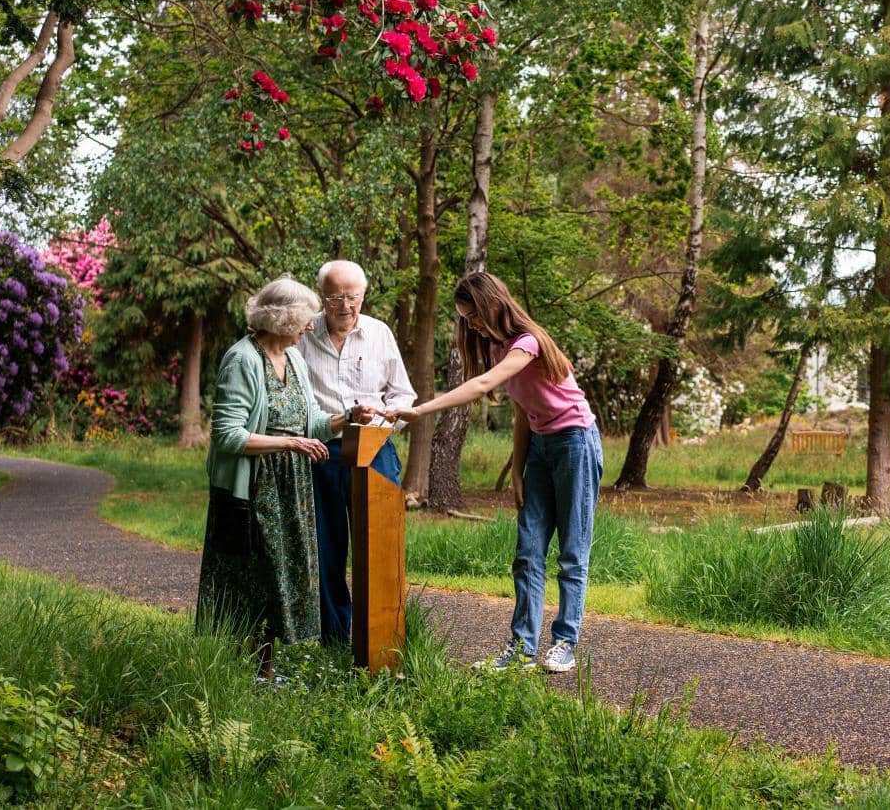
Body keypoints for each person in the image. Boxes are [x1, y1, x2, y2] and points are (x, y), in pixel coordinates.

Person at [379, 271, 601, 673]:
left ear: (494, 303)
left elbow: (482, 386)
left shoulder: (527, 343)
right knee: (528, 552)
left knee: (572, 550)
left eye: (474, 315)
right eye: (465, 319)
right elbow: (522, 413)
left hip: (575, 442)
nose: (472, 325)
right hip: (540, 448)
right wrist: (517, 470)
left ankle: (565, 642)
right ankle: (521, 649)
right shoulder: (501, 350)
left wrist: (419, 410)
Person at [200, 276, 357, 683]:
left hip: (291, 488)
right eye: (305, 319)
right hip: (251, 488)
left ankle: (265, 672)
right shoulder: (242, 359)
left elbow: (314, 423)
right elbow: (228, 435)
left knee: (278, 578)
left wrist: (348, 418)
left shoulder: (295, 361)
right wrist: (290, 444)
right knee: (252, 579)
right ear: (283, 319)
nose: (311, 326)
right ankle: (243, 673)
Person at [297, 259, 415, 646]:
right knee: (326, 548)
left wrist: (381, 421)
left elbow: (403, 394)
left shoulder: (379, 333)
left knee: (380, 544)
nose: (345, 305)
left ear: (363, 295)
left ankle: (382, 639)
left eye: (353, 297)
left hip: (375, 447)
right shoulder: (303, 334)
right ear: (321, 296)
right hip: (322, 450)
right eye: (335, 297)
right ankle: (334, 639)